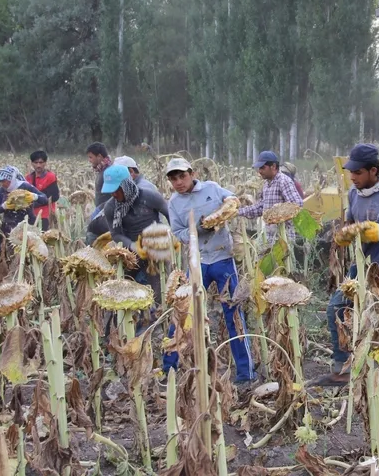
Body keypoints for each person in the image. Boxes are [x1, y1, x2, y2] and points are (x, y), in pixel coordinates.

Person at [313, 144, 379, 387]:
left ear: (373, 171)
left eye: (358, 173)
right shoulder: (354, 194)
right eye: (351, 173)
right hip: (358, 270)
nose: (353, 177)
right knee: (335, 310)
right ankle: (343, 370)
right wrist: (345, 232)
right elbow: (350, 221)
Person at [163, 157, 257, 385]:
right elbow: (178, 231)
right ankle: (169, 369)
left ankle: (245, 373)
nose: (178, 182)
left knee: (233, 313)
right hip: (198, 261)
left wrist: (226, 209)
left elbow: (231, 199)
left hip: (223, 258)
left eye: (182, 176)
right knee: (184, 311)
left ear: (192, 173)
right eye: (173, 178)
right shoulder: (174, 203)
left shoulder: (212, 189)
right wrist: (197, 229)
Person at [100, 165, 170, 300]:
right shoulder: (111, 207)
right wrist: (133, 246)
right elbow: (116, 234)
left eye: (116, 189)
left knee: (159, 293)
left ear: (127, 184)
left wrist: (171, 235)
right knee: (124, 291)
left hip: (154, 249)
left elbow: (169, 214)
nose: (113, 194)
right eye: (110, 191)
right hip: (130, 252)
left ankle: (158, 318)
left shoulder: (149, 197)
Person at [237, 151, 304, 242]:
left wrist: (277, 213)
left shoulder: (284, 181)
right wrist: (238, 212)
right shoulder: (266, 184)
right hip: (269, 237)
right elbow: (261, 207)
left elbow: (297, 204)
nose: (260, 171)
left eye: (262, 168)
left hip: (283, 239)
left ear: (273, 166)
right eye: (259, 168)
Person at [0, 165, 49, 235]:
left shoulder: (25, 186)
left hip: (28, 225)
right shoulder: (1, 191)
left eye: (3, 181)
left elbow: (44, 199)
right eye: (0, 181)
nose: (1, 184)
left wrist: (34, 196)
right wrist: (3, 206)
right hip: (9, 226)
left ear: (11, 179)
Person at [27, 150, 60, 231]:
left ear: (45, 163)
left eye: (41, 162)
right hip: (32, 215)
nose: (38, 165)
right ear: (31, 163)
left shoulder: (50, 177)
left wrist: (34, 201)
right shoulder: (28, 178)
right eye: (36, 162)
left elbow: (54, 196)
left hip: (46, 216)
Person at [87, 142, 113, 210]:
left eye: (91, 157)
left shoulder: (108, 173)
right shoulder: (102, 170)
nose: (89, 160)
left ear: (99, 156)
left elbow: (113, 198)